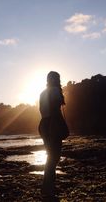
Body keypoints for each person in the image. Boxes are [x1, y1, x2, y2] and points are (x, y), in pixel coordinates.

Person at [38, 71, 66, 200]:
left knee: (50, 156)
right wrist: (61, 125)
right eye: (58, 78)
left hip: (43, 123)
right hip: (52, 123)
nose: (59, 80)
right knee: (54, 157)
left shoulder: (42, 92)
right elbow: (55, 110)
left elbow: (42, 110)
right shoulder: (55, 90)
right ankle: (48, 187)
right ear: (55, 79)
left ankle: (48, 186)